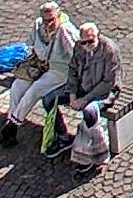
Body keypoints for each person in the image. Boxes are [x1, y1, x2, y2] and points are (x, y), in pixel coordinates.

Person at [0, 1, 78, 151]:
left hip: (59, 70)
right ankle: (11, 130)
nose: (48, 24)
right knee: (17, 87)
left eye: (51, 20)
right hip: (39, 65)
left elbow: (76, 57)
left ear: (58, 15)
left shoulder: (66, 31)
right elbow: (31, 45)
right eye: (45, 20)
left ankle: (10, 128)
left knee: (34, 91)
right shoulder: (38, 25)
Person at [53, 22, 120, 163]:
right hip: (83, 87)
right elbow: (72, 70)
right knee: (49, 100)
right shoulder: (79, 47)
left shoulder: (109, 50)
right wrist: (72, 94)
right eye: (84, 42)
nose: (88, 45)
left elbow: (108, 82)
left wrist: (85, 99)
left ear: (97, 36)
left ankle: (96, 152)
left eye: (91, 40)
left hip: (104, 92)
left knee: (89, 111)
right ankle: (63, 137)